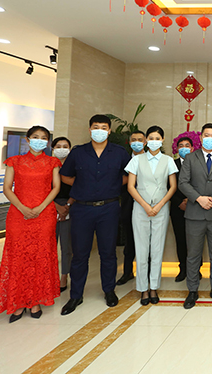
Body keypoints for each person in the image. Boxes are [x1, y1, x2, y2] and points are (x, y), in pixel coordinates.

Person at [60, 115, 129, 315]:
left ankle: (109, 290)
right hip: (82, 209)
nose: (99, 130)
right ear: (90, 130)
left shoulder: (119, 152)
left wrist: (113, 186)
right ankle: (76, 295)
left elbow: (129, 175)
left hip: (108, 208)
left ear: (109, 131)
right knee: (80, 254)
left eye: (103, 127)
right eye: (96, 127)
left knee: (108, 253)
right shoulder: (78, 152)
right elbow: (65, 175)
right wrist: (82, 186)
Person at [0, 126, 61, 322]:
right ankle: (18, 302)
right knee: (18, 257)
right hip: (18, 214)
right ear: (28, 139)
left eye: (44, 138)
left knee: (40, 256)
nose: (40, 140)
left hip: (44, 214)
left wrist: (40, 208)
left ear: (47, 142)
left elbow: (56, 187)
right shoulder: (14, 161)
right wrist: (22, 208)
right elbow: (7, 188)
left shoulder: (53, 162)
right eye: (35, 137)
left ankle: (35, 301)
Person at [178, 123, 212, 309]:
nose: (210, 138)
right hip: (194, 213)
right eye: (207, 135)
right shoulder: (190, 158)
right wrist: (199, 198)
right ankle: (192, 290)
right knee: (193, 254)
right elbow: (183, 182)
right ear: (201, 138)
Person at [125, 126, 179, 306]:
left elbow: (173, 186)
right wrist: (146, 206)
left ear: (162, 140)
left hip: (161, 209)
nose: (154, 141)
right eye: (151, 138)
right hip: (141, 208)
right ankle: (143, 288)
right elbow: (131, 186)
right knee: (141, 250)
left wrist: (159, 205)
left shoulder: (168, 160)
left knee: (157, 248)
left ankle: (154, 286)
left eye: (157, 138)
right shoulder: (137, 160)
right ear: (146, 140)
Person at [117, 131, 146, 286]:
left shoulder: (151, 160)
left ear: (145, 142)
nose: (137, 142)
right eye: (133, 140)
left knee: (147, 240)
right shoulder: (123, 160)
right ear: (129, 143)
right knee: (129, 240)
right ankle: (127, 271)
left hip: (148, 205)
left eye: (140, 140)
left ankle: (147, 273)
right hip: (128, 204)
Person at [170, 136, 194, 282]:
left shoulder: (197, 164)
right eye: (181, 146)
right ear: (177, 149)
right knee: (180, 239)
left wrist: (190, 200)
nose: (184, 148)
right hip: (177, 208)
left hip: (195, 207)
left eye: (187, 145)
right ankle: (183, 268)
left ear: (192, 148)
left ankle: (195, 269)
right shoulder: (171, 164)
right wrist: (179, 202)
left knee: (195, 241)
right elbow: (167, 186)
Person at [52, 136, 73, 292]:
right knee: (49, 246)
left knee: (66, 246)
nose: (62, 149)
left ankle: (64, 276)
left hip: (70, 207)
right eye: (58, 146)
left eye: (65, 146)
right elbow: (42, 190)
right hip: (49, 206)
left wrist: (67, 206)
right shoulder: (48, 166)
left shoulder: (74, 167)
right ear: (53, 149)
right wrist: (56, 207)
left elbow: (79, 187)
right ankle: (49, 276)